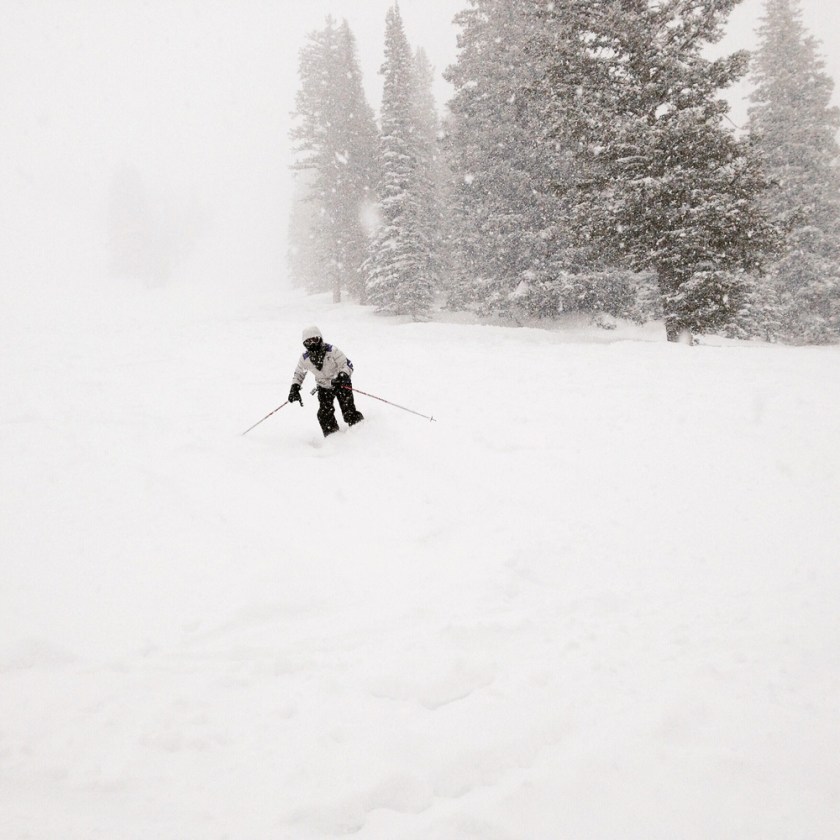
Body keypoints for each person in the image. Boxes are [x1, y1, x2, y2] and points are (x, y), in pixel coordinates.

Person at [288, 326, 364, 437]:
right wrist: (295, 387)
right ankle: (333, 437)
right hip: (323, 387)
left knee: (348, 411)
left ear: (320, 339)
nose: (312, 343)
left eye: (315, 339)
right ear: (305, 344)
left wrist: (343, 375)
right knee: (324, 414)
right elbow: (299, 373)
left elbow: (347, 364)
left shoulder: (332, 351)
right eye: (308, 341)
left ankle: (361, 431)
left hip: (340, 384)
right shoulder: (305, 358)